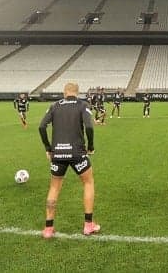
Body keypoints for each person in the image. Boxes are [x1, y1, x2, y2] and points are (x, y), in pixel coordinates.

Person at [38, 83, 99, 239]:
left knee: (54, 187)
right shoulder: (82, 104)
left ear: (64, 92)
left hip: (57, 153)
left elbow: (42, 126)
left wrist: (48, 148)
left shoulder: (54, 105)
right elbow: (89, 127)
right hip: (77, 152)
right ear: (77, 93)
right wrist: (90, 146)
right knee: (88, 183)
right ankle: (88, 225)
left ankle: (48, 228)